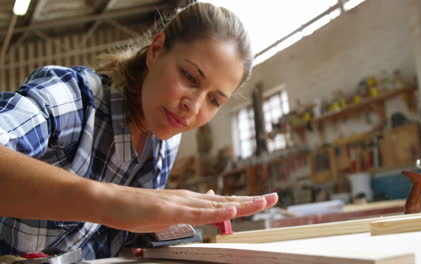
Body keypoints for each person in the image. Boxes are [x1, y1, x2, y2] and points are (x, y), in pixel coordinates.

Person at [0, 2, 278, 259]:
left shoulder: (167, 139)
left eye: (214, 100)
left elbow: (114, 241)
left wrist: (163, 228)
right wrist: (110, 201)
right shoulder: (71, 99)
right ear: (156, 51)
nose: (192, 107)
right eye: (189, 77)